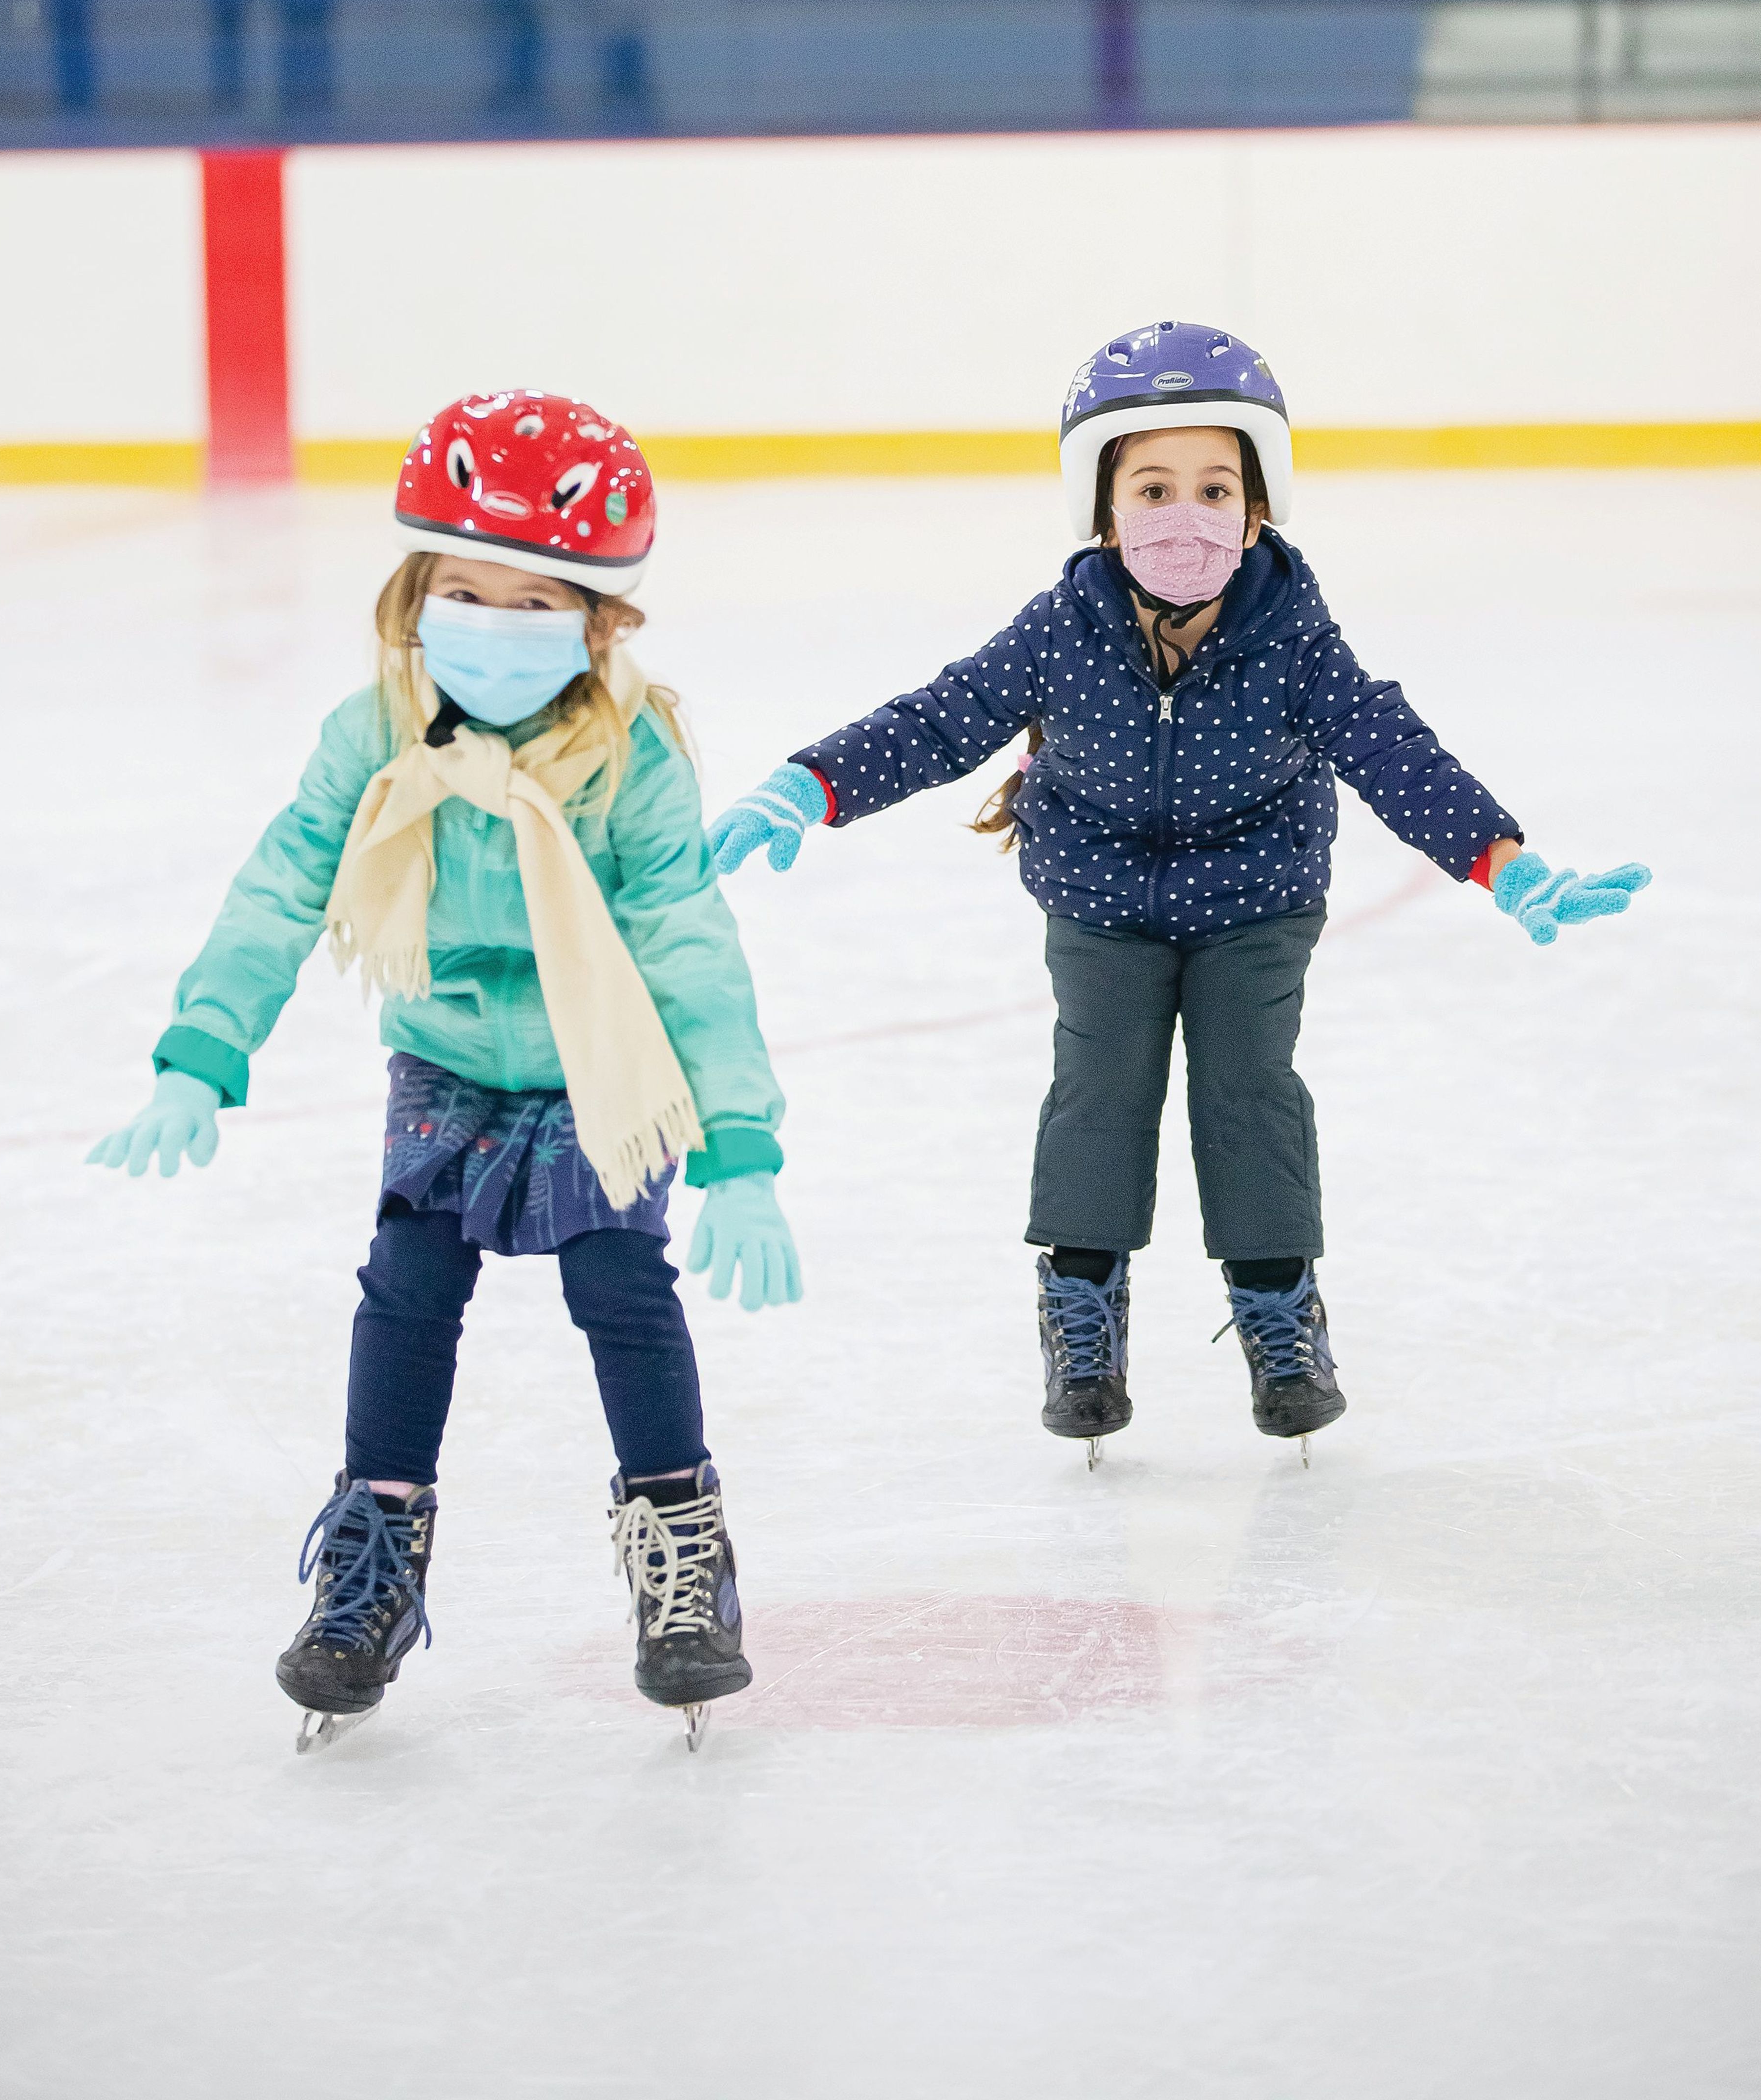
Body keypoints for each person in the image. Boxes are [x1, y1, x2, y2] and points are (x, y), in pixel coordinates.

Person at [706, 322, 1648, 1466]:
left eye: (1214, 486)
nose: (1185, 513)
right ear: (1104, 507)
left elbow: (1395, 751)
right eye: (1154, 486)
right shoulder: (1065, 626)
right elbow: (940, 719)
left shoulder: (1292, 633)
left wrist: (1507, 862)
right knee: (1100, 1088)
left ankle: (1279, 1316)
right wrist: (812, 784)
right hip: (1100, 896)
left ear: (1259, 507)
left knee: (1249, 1089)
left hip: (1257, 898)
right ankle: (1083, 1315)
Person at [88, 389, 800, 1750]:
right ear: (416, 590)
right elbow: (284, 882)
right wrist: (202, 1049)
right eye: (467, 592)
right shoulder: (376, 734)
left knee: (621, 1286)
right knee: (407, 1285)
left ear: (599, 619)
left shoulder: (629, 759)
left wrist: (741, 1149)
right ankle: (373, 1558)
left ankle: (681, 1555)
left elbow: (687, 946)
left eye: (537, 602)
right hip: (448, 1058)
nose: (497, 625)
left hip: (604, 1067)